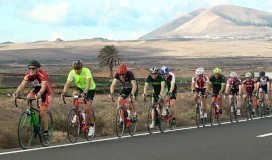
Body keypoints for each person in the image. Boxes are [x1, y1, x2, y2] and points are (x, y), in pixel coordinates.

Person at [13, 60, 52, 139]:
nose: (31, 70)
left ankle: (46, 131)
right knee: (28, 97)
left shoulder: (42, 74)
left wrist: (40, 94)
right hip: (37, 89)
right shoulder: (28, 75)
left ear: (37, 69)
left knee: (42, 112)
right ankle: (33, 119)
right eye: (29, 68)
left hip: (46, 91)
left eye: (33, 68)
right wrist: (16, 92)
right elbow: (22, 85)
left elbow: (43, 87)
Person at [62, 60, 96, 137]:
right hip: (80, 88)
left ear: (81, 67)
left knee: (87, 108)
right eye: (75, 69)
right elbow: (68, 83)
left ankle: (92, 125)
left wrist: (85, 92)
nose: (77, 71)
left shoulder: (86, 71)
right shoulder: (72, 72)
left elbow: (88, 83)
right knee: (74, 94)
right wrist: (64, 92)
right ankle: (76, 112)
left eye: (78, 69)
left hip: (90, 89)